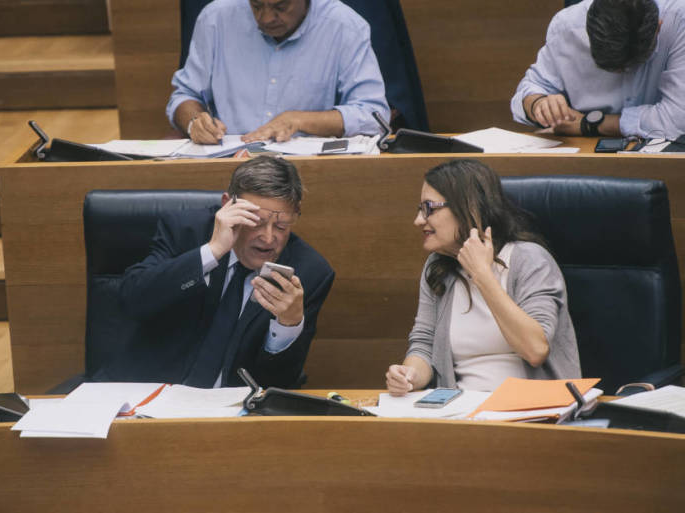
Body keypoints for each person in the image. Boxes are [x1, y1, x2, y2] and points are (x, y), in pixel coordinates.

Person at [96, 156, 335, 388]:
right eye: (256, 221)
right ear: (226, 205)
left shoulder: (308, 273)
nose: (269, 237)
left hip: (231, 412)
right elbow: (133, 301)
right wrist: (213, 251)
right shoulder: (185, 231)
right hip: (149, 392)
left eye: (282, 226)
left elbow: (280, 383)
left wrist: (289, 324)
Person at [385, 160, 581, 395]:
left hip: (533, 410)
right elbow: (425, 343)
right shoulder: (437, 266)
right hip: (462, 410)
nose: (418, 220)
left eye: (429, 208)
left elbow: (536, 350)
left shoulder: (530, 260)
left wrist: (482, 276)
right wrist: (410, 375)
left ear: (468, 208)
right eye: (419, 209)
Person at [167, 0, 390, 144]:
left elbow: (373, 116)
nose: (265, 18)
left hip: (309, 170)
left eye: (280, 7)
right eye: (256, 5)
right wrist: (194, 121)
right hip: (228, 162)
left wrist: (298, 120)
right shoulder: (216, 18)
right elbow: (184, 96)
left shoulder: (344, 26)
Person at [511, 0, 685, 141]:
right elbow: (531, 89)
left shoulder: (679, 20)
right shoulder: (567, 27)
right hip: (585, 155)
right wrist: (538, 104)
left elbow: (677, 120)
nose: (621, 72)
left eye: (632, 65)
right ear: (588, 31)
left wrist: (588, 125)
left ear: (658, 28)